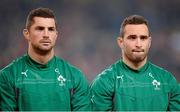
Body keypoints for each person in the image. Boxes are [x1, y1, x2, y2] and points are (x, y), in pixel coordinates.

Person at [0, 7, 91, 111]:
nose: (46, 35)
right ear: (27, 34)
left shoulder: (75, 77)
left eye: (51, 29)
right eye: (40, 29)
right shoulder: (8, 76)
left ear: (56, 35)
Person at [90, 15, 180, 111]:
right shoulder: (104, 82)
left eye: (143, 38)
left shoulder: (167, 81)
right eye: (132, 38)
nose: (138, 44)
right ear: (121, 42)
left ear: (149, 42)